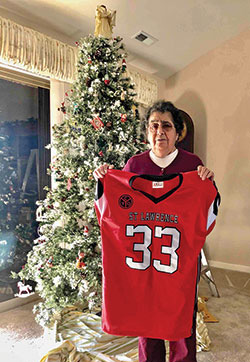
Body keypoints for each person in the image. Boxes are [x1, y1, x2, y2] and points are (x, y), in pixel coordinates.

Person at [93, 100, 215, 362]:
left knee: (181, 316)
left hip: (178, 261)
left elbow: (208, 212)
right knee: (146, 318)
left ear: (177, 132)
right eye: (154, 125)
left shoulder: (192, 164)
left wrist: (207, 181)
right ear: (147, 131)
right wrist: (103, 181)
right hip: (142, 261)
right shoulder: (134, 165)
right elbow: (111, 211)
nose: (160, 131)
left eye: (167, 126)